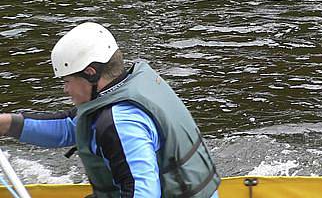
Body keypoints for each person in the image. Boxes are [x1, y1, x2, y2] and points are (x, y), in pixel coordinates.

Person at [0, 22, 220, 198]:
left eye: (67, 81)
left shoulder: (122, 123)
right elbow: (70, 127)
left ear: (90, 73)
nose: (66, 89)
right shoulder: (128, 86)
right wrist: (7, 124)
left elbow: (142, 193)